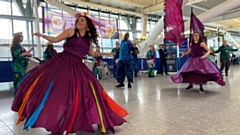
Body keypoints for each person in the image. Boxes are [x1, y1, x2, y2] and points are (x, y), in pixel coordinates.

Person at [11, 15, 128, 135]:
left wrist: (105, 52)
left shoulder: (88, 39)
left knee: (88, 90)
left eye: (82, 21)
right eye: (78, 21)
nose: (79, 22)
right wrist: (42, 35)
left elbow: (92, 53)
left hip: (78, 66)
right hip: (64, 63)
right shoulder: (71, 31)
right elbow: (55, 39)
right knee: (59, 90)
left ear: (87, 25)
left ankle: (78, 118)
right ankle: (56, 118)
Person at [10, 32, 33, 97]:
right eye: (21, 36)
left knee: (23, 81)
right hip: (18, 67)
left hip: (22, 66)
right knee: (18, 81)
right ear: (18, 38)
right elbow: (17, 55)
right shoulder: (15, 46)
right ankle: (16, 96)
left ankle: (21, 96)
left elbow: (23, 54)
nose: (23, 37)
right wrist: (26, 54)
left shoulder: (20, 45)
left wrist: (28, 53)